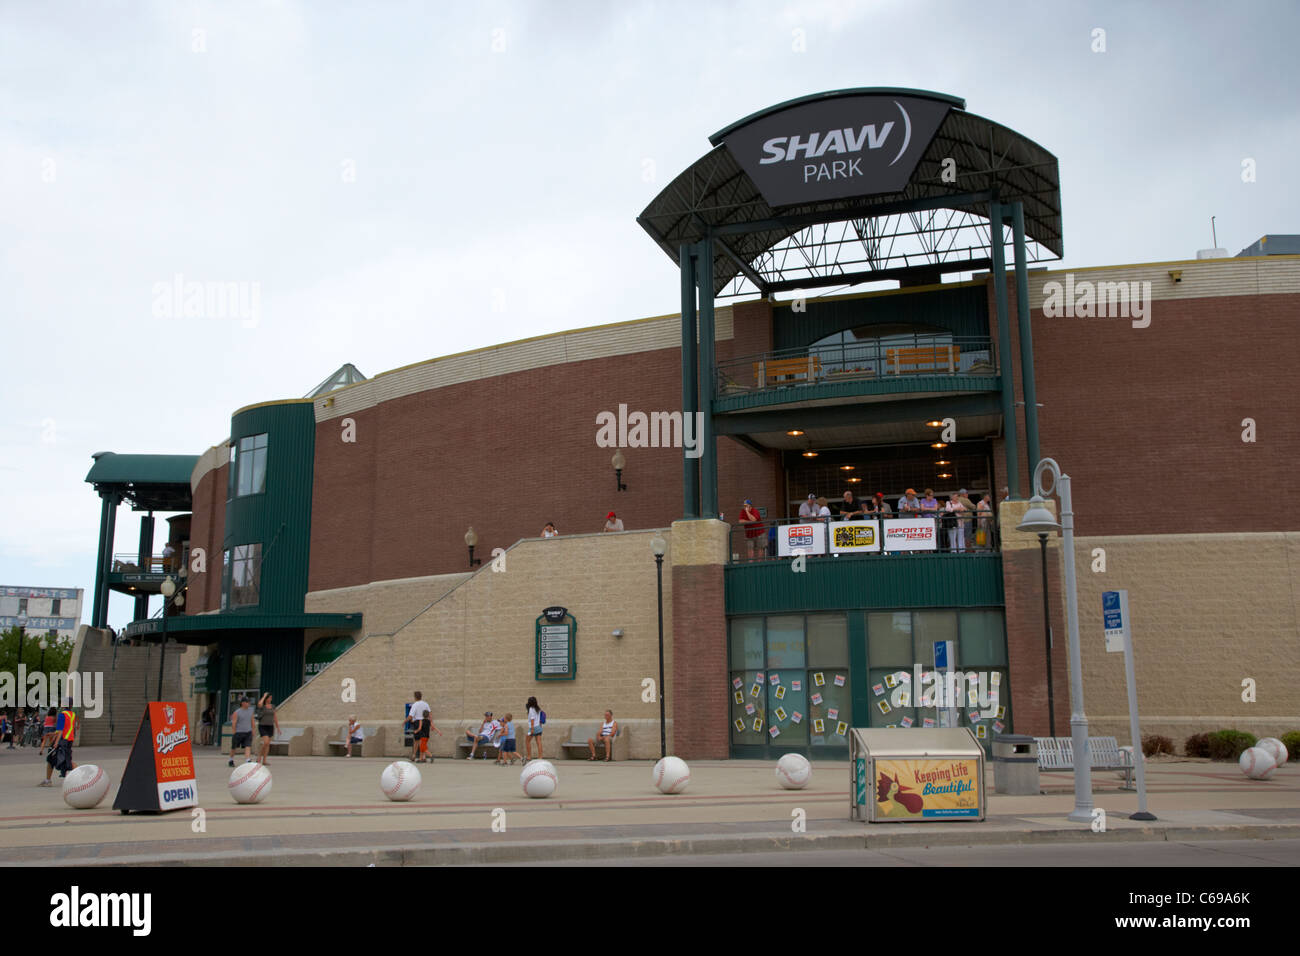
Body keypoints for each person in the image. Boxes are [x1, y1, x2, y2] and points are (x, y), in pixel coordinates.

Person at [40, 698, 78, 786]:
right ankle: (47, 780)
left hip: (62, 741)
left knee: (55, 760)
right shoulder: (72, 714)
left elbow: (60, 730)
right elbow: (67, 729)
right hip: (69, 740)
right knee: (65, 760)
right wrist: (53, 734)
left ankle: (82, 776)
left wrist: (56, 742)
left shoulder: (62, 715)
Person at [228, 697, 255, 767]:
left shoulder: (251, 710)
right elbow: (234, 723)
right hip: (238, 732)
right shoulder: (237, 712)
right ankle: (231, 759)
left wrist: (253, 730)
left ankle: (247, 759)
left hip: (248, 732)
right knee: (234, 747)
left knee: (248, 746)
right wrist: (234, 732)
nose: (249, 703)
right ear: (242, 703)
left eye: (249, 702)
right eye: (247, 702)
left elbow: (252, 721)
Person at [255, 693, 279, 766]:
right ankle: (259, 757)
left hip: (270, 726)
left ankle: (264, 760)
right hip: (263, 726)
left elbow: (275, 717)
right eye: (269, 697)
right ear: (266, 698)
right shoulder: (263, 706)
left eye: (271, 698)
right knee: (265, 742)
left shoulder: (273, 706)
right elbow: (259, 704)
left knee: (268, 744)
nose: (271, 699)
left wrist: (278, 727)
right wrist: (264, 696)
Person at [525, 696, 544, 761]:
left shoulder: (531, 709)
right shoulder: (538, 708)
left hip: (533, 727)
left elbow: (532, 719)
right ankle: (540, 756)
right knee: (539, 742)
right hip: (538, 726)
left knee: (527, 741)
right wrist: (540, 727)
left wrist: (532, 729)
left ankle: (529, 756)